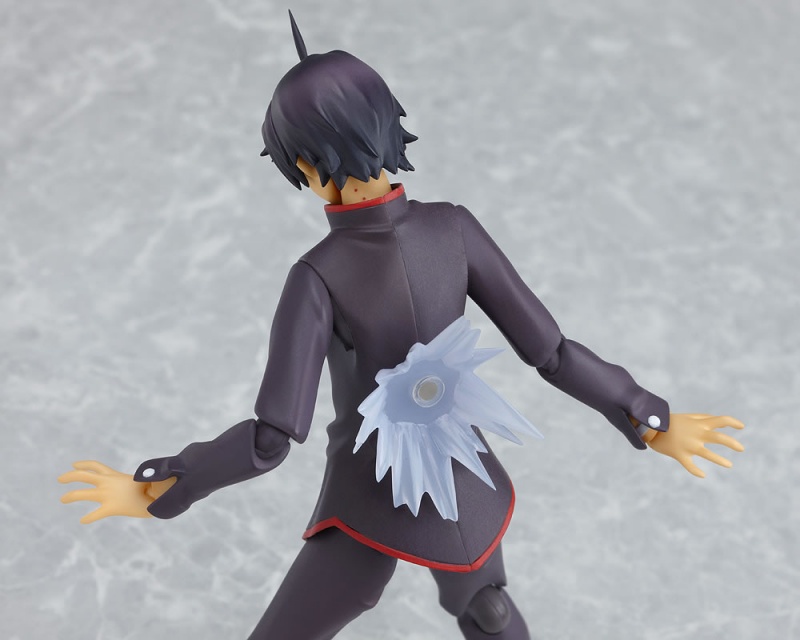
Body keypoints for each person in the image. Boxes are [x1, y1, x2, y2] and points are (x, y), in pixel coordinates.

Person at [59, 12, 744, 640]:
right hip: (460, 476)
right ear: (389, 125)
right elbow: (554, 352)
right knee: (487, 609)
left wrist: (161, 488)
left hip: (370, 494)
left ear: (307, 168)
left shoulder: (317, 274)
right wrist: (647, 417)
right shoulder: (455, 229)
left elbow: (270, 439)